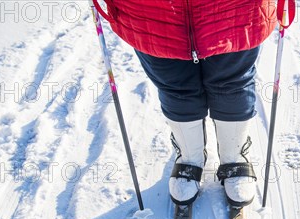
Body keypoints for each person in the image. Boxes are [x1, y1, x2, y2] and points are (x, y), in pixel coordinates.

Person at [93, 0, 277, 207]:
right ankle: (190, 157)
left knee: (232, 84)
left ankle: (234, 154)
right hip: (150, 12)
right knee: (176, 88)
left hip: (233, 9)